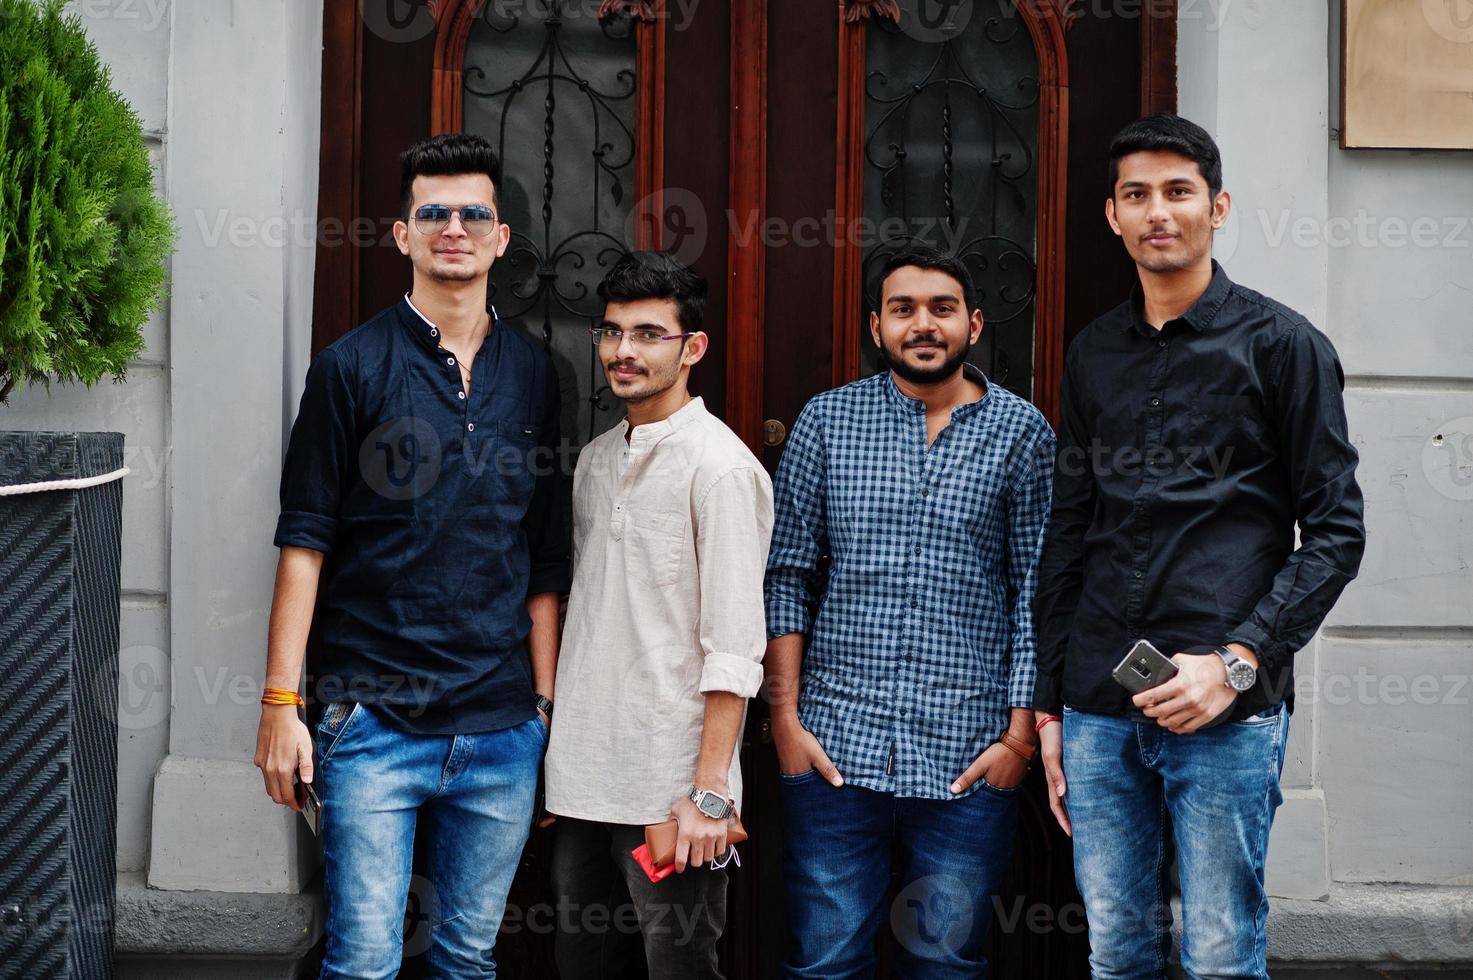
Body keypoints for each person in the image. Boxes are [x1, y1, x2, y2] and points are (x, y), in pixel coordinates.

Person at [1032, 113, 1366, 979]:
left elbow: (1334, 531)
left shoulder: (1283, 347)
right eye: (1135, 195)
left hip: (1224, 705)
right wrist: (1047, 702)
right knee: (1115, 955)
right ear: (1110, 215)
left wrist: (1238, 661)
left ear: (1216, 208)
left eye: (1177, 193)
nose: (1157, 212)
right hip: (1098, 703)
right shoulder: (1092, 352)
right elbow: (1069, 528)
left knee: (1219, 957)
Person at [253, 132, 569, 978]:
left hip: (501, 729)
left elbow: (542, 557)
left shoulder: (538, 375)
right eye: (432, 212)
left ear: (502, 237)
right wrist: (280, 703)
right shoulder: (349, 368)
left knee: (467, 961)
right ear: (402, 235)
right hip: (372, 722)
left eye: (474, 213)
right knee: (362, 964)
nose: (453, 227)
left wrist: (540, 708)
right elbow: (304, 541)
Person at [765, 243, 1056, 978]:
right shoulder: (827, 422)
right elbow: (787, 575)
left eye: (941, 309)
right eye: (903, 309)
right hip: (834, 747)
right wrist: (784, 723)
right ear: (876, 327)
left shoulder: (1021, 434)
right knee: (825, 963)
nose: (922, 324)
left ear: (974, 324)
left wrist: (1018, 741)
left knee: (946, 966)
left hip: (969, 751)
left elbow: (1037, 592)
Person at [543, 251, 773, 980]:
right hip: (582, 781)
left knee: (678, 969)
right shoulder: (596, 458)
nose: (624, 352)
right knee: (583, 965)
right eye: (611, 334)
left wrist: (707, 793)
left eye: (648, 334)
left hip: (673, 792)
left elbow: (734, 646)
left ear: (692, 348)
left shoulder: (724, 468)